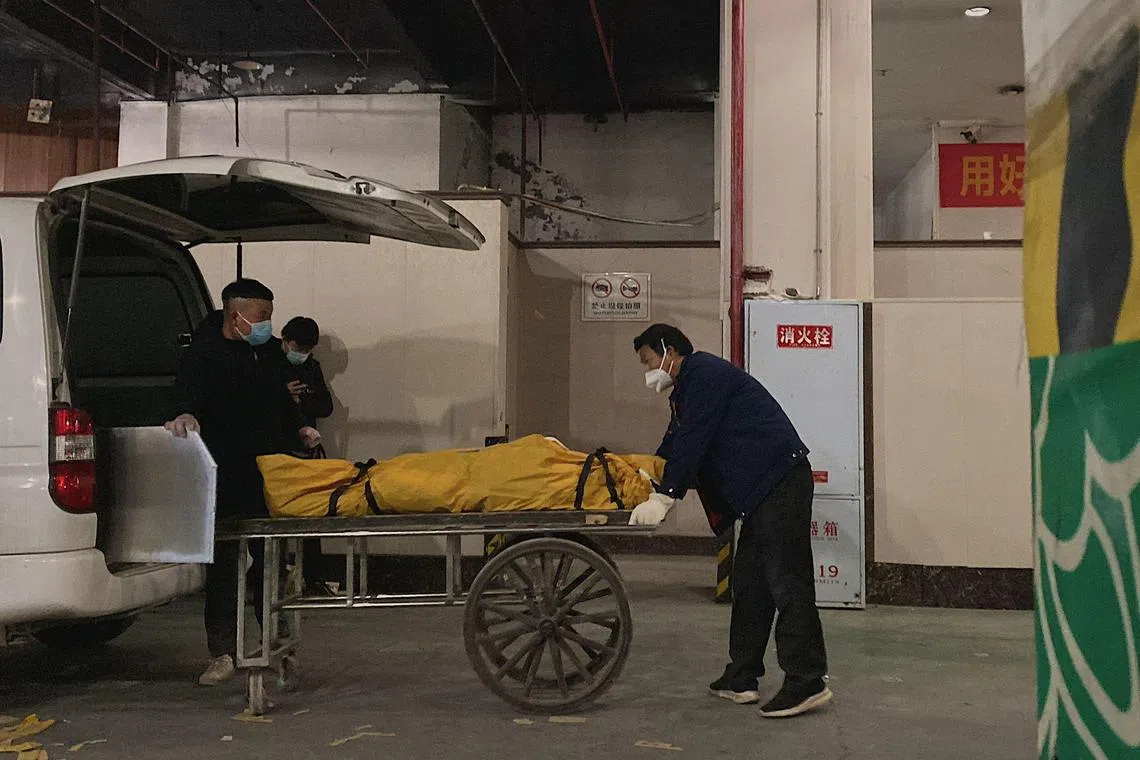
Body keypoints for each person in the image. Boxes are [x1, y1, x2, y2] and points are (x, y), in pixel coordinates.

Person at [630, 323, 831, 718]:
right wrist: (646, 477)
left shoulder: (704, 374)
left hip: (779, 482)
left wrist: (667, 495)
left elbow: (694, 439)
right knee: (752, 586)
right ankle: (742, 677)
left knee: (787, 582)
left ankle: (807, 680)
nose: (648, 370)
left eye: (648, 360)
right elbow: (676, 441)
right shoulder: (688, 389)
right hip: (760, 495)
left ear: (669, 350)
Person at [165, 278, 320, 687]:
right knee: (225, 568)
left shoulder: (266, 351)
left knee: (271, 563)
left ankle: (279, 647)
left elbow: (281, 399)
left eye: (270, 315)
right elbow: (185, 396)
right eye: (262, 317)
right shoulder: (204, 354)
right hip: (225, 474)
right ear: (236, 315)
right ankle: (222, 652)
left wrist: (300, 427)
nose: (269, 324)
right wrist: (184, 414)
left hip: (268, 472)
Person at [264, 316, 334, 594]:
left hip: (305, 451)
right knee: (274, 518)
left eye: (307, 350)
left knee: (311, 514)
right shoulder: (268, 365)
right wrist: (282, 395)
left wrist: (302, 400)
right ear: (284, 340)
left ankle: (313, 577)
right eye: (298, 347)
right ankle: (273, 579)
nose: (302, 354)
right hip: (276, 449)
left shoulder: (310, 368)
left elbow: (325, 405)